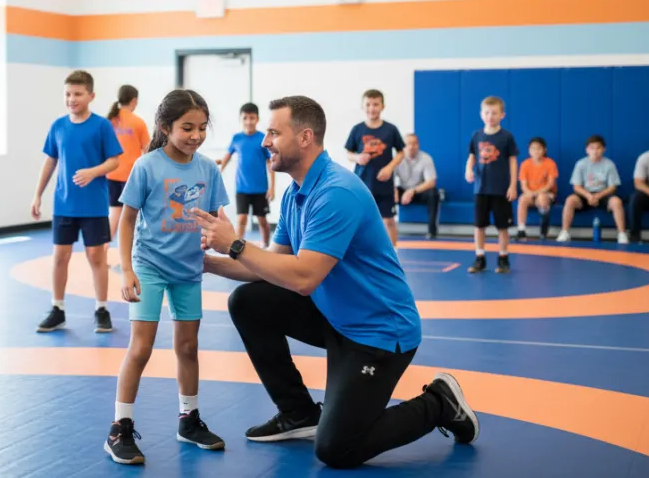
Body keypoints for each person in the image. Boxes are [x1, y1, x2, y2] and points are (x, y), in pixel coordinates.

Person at [192, 96, 477, 470]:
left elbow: (304, 278)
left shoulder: (335, 192)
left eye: (274, 133)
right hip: (336, 318)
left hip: (378, 334)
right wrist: (207, 264)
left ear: (305, 138)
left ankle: (440, 403)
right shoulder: (296, 193)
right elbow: (270, 265)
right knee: (247, 301)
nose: (265, 142)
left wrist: (235, 244)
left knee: (337, 449)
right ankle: (297, 413)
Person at [106, 90, 229, 465]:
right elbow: (127, 220)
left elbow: (217, 218)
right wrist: (127, 269)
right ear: (164, 126)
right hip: (150, 266)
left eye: (202, 128)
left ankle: (188, 420)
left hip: (188, 269)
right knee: (141, 348)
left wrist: (224, 238)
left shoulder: (208, 169)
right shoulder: (147, 166)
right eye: (187, 127)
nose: (196, 135)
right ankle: (119, 428)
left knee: (188, 347)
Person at [32, 70, 124, 333]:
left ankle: (101, 309)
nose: (72, 99)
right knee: (60, 256)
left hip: (94, 205)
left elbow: (114, 160)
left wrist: (93, 172)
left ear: (91, 96)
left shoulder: (101, 126)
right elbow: (50, 161)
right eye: (68, 94)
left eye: (78, 94)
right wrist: (37, 194)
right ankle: (57, 309)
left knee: (96, 257)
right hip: (64, 204)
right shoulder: (58, 126)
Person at [344, 89, 405, 246]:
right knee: (359, 221)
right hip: (362, 183)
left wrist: (389, 168)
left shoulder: (391, 129)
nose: (372, 108)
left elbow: (401, 152)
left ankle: (393, 255)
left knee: (389, 221)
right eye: (368, 104)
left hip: (384, 184)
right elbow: (348, 153)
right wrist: (357, 157)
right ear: (363, 106)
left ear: (382, 106)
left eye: (376, 104)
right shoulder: (357, 129)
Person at [465, 96, 518, 273]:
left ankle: (503, 258)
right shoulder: (476, 135)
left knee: (503, 226)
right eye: (487, 113)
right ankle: (479, 257)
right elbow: (472, 156)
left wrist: (513, 185)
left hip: (501, 189)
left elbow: (513, 161)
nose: (490, 116)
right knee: (479, 225)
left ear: (502, 115)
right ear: (481, 114)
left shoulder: (506, 137)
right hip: (481, 189)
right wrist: (468, 170)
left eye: (494, 113)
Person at [217, 102, 275, 247]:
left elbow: (270, 163)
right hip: (242, 188)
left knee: (262, 220)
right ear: (241, 119)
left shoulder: (263, 139)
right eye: (245, 118)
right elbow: (227, 157)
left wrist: (272, 187)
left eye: (252, 118)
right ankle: (238, 248)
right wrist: (218, 172)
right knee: (241, 219)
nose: (249, 121)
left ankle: (266, 245)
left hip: (260, 189)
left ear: (257, 119)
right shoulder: (236, 138)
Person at [559, 135, 629, 244]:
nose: (595, 151)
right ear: (587, 150)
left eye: (598, 148)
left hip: (603, 194)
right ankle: (564, 232)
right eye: (592, 148)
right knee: (570, 200)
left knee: (616, 202)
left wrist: (598, 196)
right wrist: (588, 196)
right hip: (585, 194)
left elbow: (612, 187)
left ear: (604, 149)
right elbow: (576, 187)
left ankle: (622, 234)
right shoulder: (581, 164)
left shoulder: (609, 164)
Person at [106, 84, 151, 246]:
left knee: (114, 214)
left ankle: (104, 248)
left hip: (111, 174)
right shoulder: (138, 122)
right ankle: (129, 253)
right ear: (134, 101)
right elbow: (148, 150)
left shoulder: (109, 121)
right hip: (131, 177)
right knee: (131, 218)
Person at [393, 133, 440, 239]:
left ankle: (432, 231)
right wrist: (393, 189)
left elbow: (431, 182)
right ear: (403, 145)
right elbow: (390, 178)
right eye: (408, 144)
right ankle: (388, 228)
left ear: (418, 145)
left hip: (419, 191)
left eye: (414, 143)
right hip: (402, 191)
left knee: (433, 194)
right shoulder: (397, 158)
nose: (411, 146)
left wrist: (412, 191)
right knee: (387, 192)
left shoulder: (426, 158)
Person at [516, 137, 558, 241]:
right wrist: (529, 193)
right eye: (533, 148)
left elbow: (550, 184)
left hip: (547, 193)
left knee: (542, 198)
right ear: (529, 150)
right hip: (530, 194)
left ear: (544, 150)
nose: (536, 151)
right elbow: (523, 185)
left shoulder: (550, 163)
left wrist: (537, 193)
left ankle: (543, 230)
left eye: (539, 148)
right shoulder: (525, 164)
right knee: (522, 199)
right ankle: (521, 230)